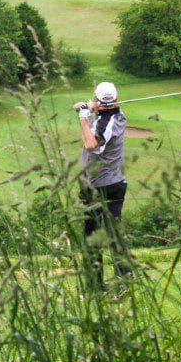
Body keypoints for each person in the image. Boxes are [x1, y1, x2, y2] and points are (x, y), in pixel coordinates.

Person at [74, 81, 130, 289]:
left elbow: (90, 143)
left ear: (98, 99)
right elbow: (101, 115)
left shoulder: (104, 125)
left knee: (93, 237)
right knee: (113, 233)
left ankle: (96, 285)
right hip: (115, 184)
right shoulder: (118, 115)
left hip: (99, 188)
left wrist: (83, 117)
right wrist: (89, 108)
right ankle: (124, 277)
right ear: (115, 98)